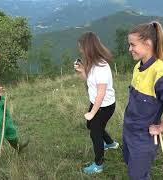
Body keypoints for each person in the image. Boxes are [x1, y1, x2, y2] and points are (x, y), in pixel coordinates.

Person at [123, 21, 163, 179]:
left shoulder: (160, 73)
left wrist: (161, 127)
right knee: (132, 168)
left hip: (143, 138)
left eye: (132, 44)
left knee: (138, 176)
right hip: (129, 131)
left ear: (148, 43)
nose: (130, 49)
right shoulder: (138, 67)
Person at [74, 32, 119, 174]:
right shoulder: (94, 64)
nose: (80, 50)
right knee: (92, 125)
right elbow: (90, 81)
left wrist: (92, 112)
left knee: (95, 133)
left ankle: (98, 165)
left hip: (103, 107)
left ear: (88, 48)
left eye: (81, 48)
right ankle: (111, 144)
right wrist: (82, 71)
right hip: (98, 104)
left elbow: (101, 92)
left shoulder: (101, 67)